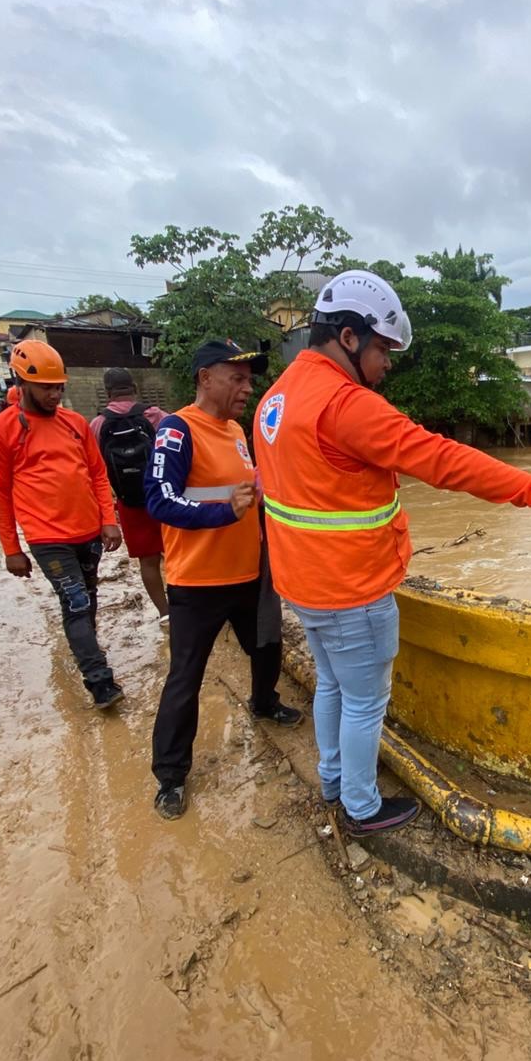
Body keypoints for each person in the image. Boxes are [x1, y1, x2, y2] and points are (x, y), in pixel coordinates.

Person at [254, 270, 531, 836]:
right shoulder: (346, 406)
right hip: (351, 590)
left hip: (301, 584)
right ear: (349, 337)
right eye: (383, 350)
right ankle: (361, 808)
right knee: (365, 702)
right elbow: (445, 461)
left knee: (333, 686)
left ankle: (332, 781)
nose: (388, 364)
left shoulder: (275, 399)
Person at [145, 338, 302, 820]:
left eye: (249, 379)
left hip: (250, 571)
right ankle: (170, 777)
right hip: (197, 582)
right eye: (237, 378)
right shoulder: (176, 430)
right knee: (184, 679)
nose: (246, 388)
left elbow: (249, 492)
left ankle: (263, 701)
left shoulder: (237, 430)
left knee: (268, 646)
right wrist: (220, 511)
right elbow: (158, 498)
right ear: (204, 378)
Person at [0, 340, 124, 709]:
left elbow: (98, 474)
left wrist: (109, 520)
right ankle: (100, 680)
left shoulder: (75, 424)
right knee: (75, 601)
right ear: (22, 381)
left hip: (89, 533)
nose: (56, 393)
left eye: (59, 385)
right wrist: (12, 550)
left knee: (88, 600)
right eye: (47, 386)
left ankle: (85, 647)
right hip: (47, 539)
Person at [89, 368, 169, 621]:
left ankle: (166, 614)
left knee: (148, 561)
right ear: (134, 387)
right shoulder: (155, 415)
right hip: (164, 497)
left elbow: (94, 471)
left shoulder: (98, 424)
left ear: (107, 392)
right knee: (179, 554)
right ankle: (191, 606)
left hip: (129, 503)